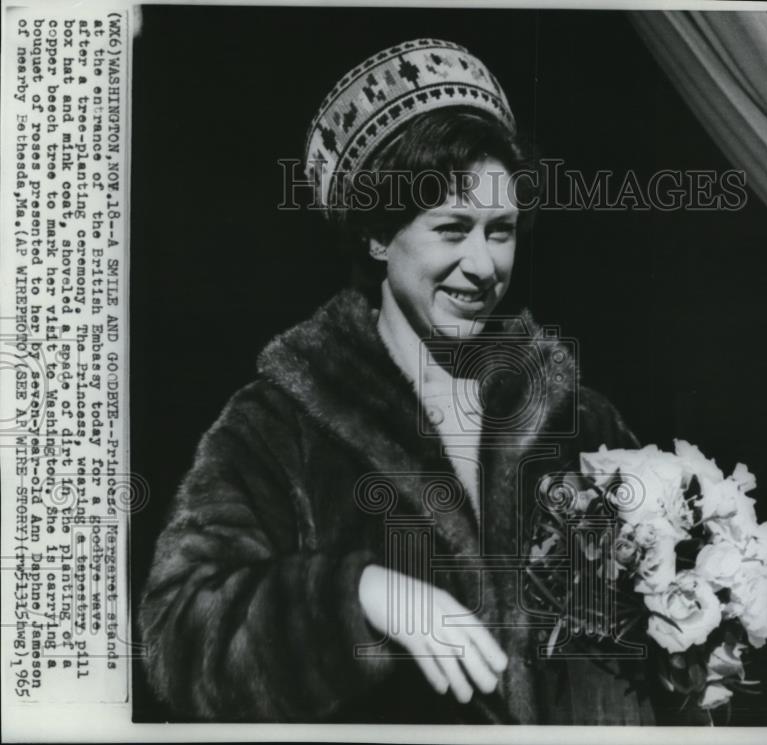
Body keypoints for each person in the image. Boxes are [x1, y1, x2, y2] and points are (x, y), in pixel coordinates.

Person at [139, 38, 658, 724]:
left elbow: (618, 639)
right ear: (378, 237)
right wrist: (364, 596)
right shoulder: (278, 426)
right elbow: (178, 639)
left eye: (500, 231)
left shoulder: (580, 421)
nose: (482, 264)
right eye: (451, 228)